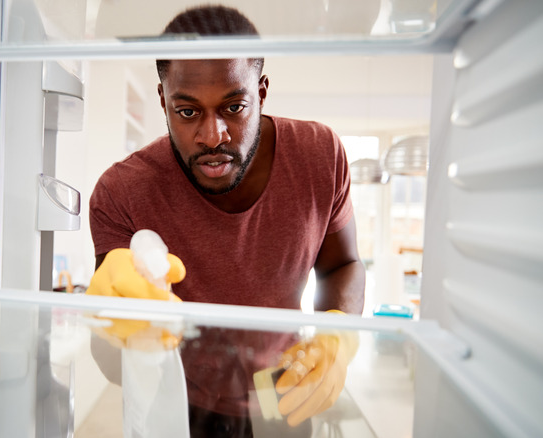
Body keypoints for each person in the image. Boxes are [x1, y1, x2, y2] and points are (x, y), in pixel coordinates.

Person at [86, 5, 365, 436]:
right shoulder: (122, 192)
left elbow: (342, 265)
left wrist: (339, 336)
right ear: (163, 100)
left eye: (234, 107)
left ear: (262, 91)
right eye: (187, 112)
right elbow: (113, 363)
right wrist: (109, 324)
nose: (213, 135)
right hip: (179, 398)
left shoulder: (320, 155)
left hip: (284, 390)